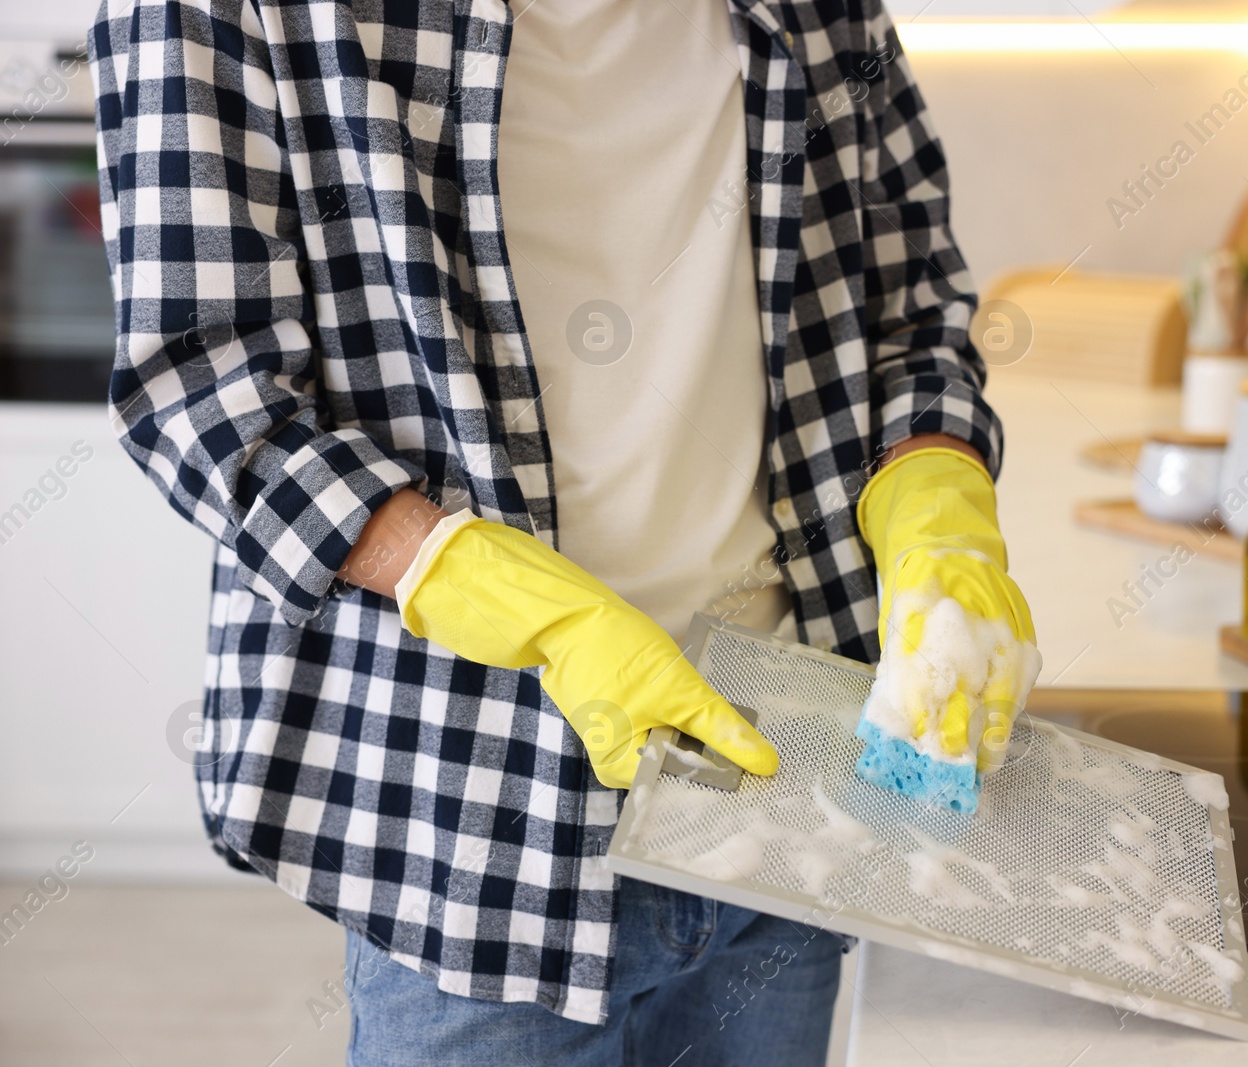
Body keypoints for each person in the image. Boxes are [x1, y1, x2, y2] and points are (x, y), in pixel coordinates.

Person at [89, 0, 1035, 1062]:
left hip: (791, 772)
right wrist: (491, 590)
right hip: (474, 813)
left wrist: (937, 502)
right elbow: (202, 392)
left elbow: (913, 307)